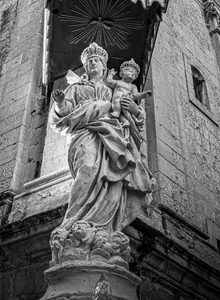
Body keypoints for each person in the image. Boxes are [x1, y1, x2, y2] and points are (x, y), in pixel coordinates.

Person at [50, 42, 153, 233]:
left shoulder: (111, 89)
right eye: (89, 62)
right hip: (84, 133)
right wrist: (60, 103)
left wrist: (134, 109)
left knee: (112, 179)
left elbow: (132, 114)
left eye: (96, 60)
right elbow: (62, 117)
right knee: (87, 169)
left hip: (111, 134)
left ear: (104, 65)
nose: (92, 64)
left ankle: (102, 225)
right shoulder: (76, 87)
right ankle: (74, 222)